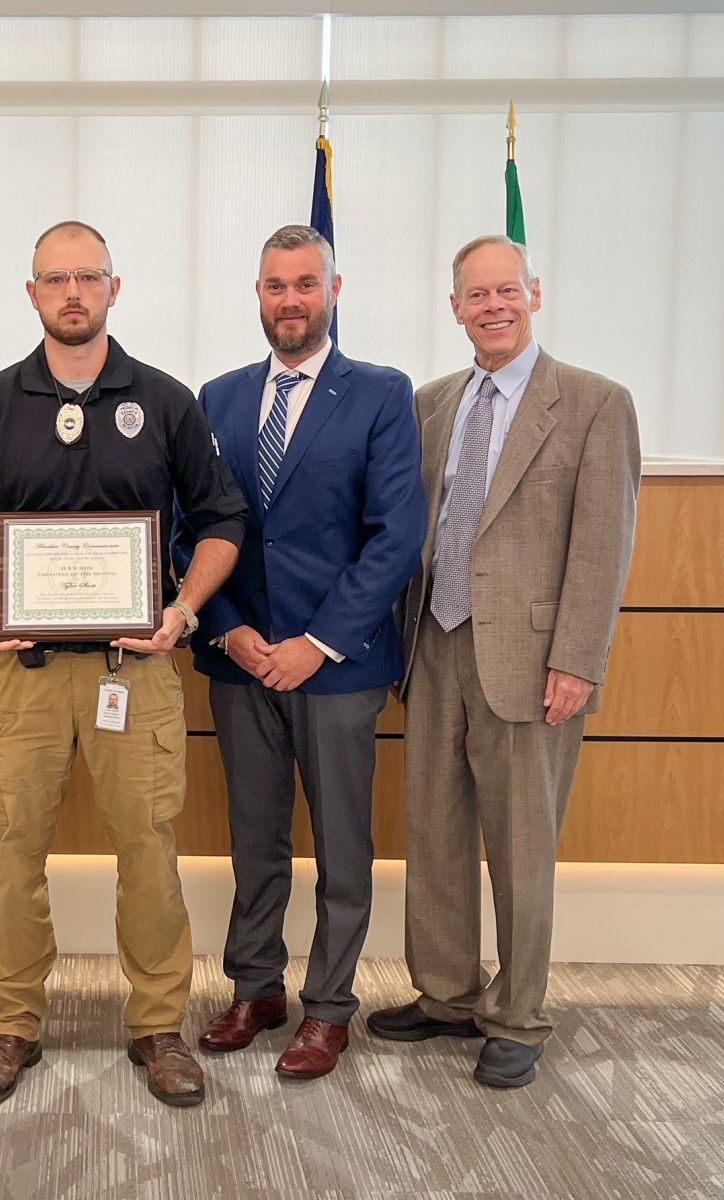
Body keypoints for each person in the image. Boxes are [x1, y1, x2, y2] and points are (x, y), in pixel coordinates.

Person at [0, 220, 247, 1109]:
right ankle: (12, 1023)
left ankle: (156, 1027)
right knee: (15, 846)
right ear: (30, 294)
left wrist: (180, 611)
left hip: (129, 672)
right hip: (21, 676)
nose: (71, 292)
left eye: (86, 277)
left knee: (147, 847)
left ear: (113, 287)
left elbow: (221, 520)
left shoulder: (168, 401)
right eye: (53, 279)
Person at [367, 235, 641, 1088]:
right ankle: (447, 994)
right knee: (434, 833)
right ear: (454, 307)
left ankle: (518, 1013)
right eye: (474, 295)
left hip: (531, 661)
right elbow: (412, 531)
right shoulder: (431, 403)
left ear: (534, 294)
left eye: (505, 292)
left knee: (520, 847)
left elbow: (603, 543)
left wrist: (578, 660)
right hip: (434, 645)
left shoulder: (594, 402)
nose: (492, 306)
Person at [177, 225, 424, 1079]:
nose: (290, 300)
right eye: (275, 285)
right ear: (256, 293)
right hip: (240, 658)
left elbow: (395, 536)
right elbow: (196, 526)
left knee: (342, 847)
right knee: (254, 840)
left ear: (333, 289)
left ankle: (327, 1007)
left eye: (305, 285)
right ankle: (256, 987)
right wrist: (232, 630)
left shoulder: (380, 394)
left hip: (338, 664)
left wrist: (315, 644)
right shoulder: (217, 396)